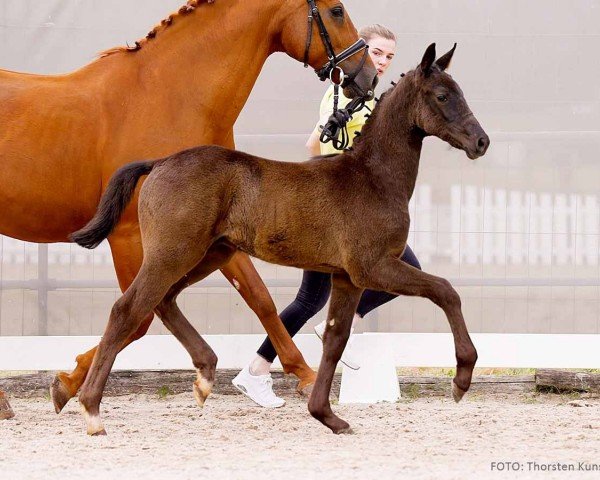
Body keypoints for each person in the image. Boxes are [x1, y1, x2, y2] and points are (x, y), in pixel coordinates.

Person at [232, 25, 422, 408]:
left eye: (389, 57)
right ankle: (334, 328)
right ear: (360, 51)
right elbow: (326, 145)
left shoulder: (351, 94)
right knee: (407, 269)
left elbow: (311, 142)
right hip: (337, 210)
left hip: (337, 207)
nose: (382, 62)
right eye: (377, 53)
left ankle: (255, 369)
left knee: (309, 299)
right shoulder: (352, 94)